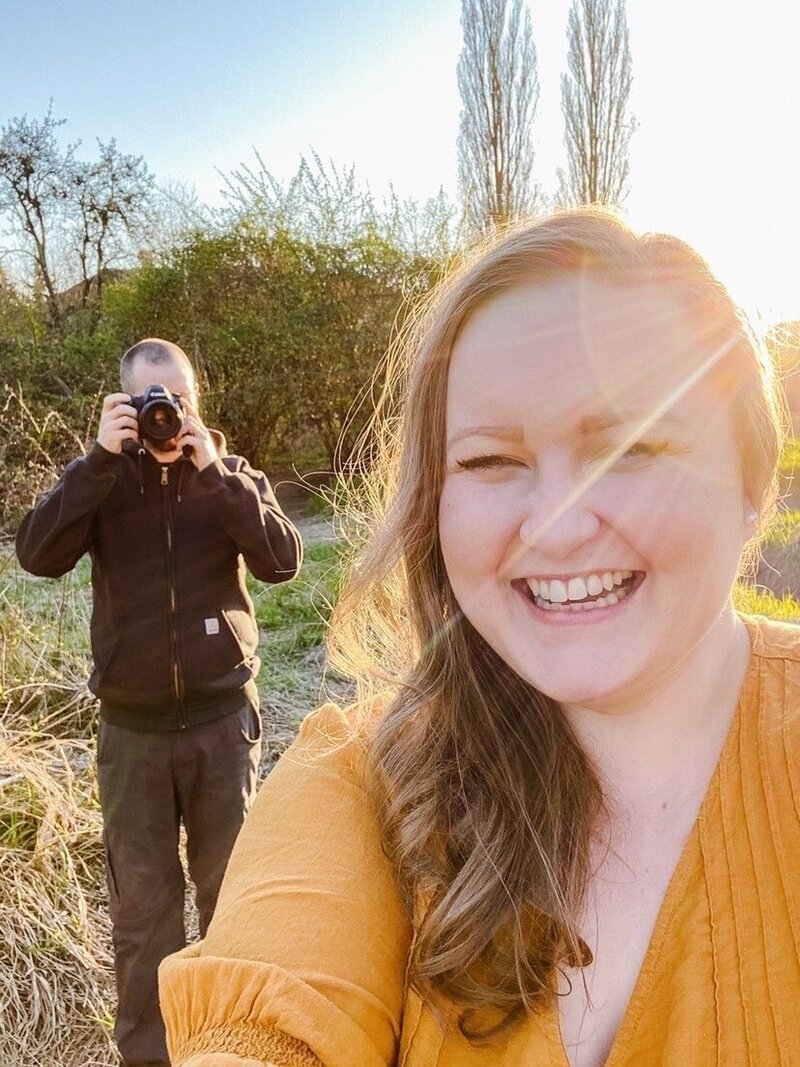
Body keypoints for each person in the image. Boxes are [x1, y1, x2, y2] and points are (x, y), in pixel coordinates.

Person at [158, 212, 800, 1067]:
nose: (560, 525)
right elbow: (266, 1020)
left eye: (635, 445)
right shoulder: (359, 782)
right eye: (491, 461)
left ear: (752, 480)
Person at [15, 338, 302, 1067]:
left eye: (176, 399)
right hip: (132, 733)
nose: (164, 415)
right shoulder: (103, 481)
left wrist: (217, 477)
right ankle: (150, 1057)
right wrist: (95, 465)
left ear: (196, 401)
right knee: (144, 916)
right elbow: (35, 555)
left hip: (221, 723)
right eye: (149, 402)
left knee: (231, 900)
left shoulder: (229, 475)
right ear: (124, 407)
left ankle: (232, 1047)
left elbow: (283, 561)